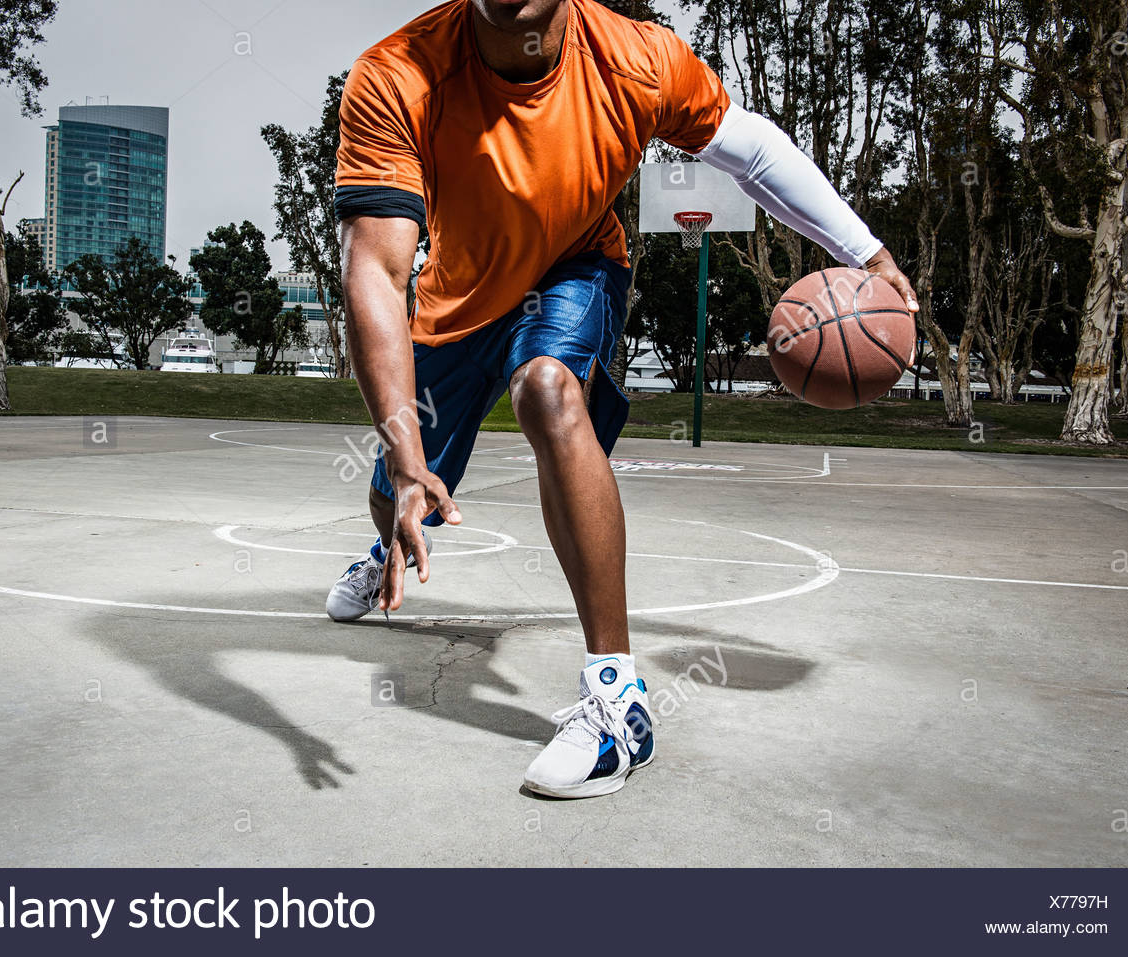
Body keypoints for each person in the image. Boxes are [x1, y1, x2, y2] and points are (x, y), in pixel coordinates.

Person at [327, 0, 917, 799]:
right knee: (397, 495)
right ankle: (382, 549)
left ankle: (616, 699)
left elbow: (755, 150)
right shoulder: (398, 74)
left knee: (547, 390)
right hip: (457, 301)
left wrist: (867, 253)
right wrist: (401, 458)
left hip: (575, 269)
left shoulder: (635, 59)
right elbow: (376, 270)